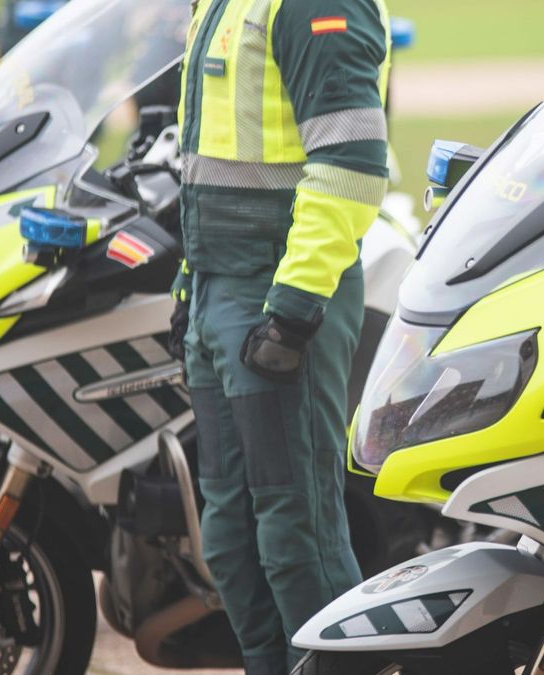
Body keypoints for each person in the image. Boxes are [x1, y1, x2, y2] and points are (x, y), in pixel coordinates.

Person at [167, 0, 391, 672]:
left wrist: (292, 311)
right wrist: (190, 280)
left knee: (299, 536)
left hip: (282, 297)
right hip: (217, 291)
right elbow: (209, 167)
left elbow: (351, 163)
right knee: (230, 541)